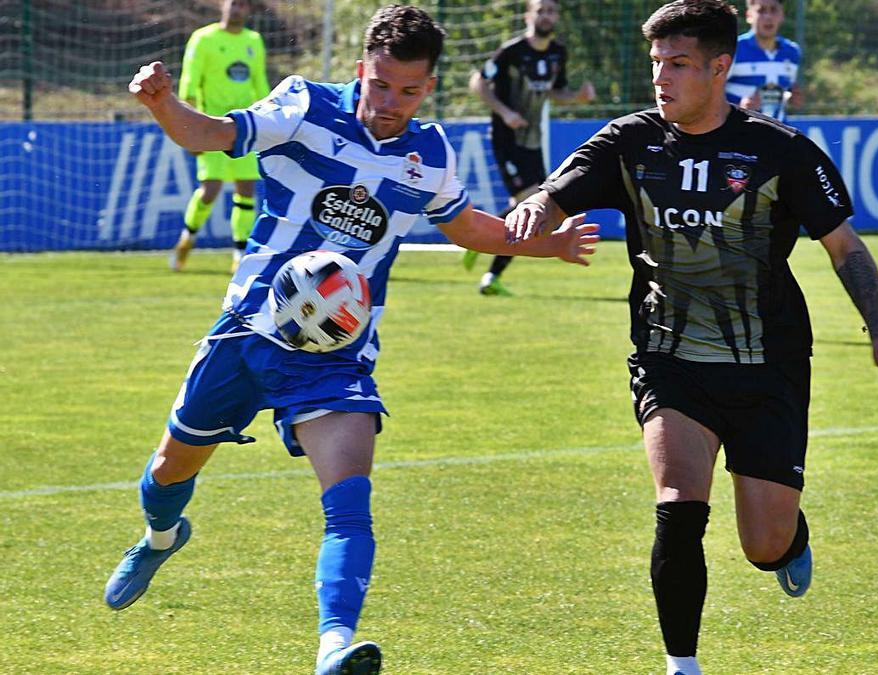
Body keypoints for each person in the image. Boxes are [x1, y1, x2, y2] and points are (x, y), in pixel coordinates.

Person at [105, 6, 597, 674]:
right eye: (382, 84)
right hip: (250, 327)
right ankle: (161, 535)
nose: (392, 102)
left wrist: (546, 243)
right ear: (362, 68)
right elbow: (213, 134)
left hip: (335, 353)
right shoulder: (303, 105)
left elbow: (468, 227)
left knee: (349, 499)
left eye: (410, 90)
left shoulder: (430, 153)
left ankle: (334, 642)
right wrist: (165, 104)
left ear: (428, 87)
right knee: (169, 470)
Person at [506, 2, 878, 673]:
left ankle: (787, 541)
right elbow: (557, 191)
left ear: (721, 67)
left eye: (679, 64)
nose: (662, 78)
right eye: (657, 63)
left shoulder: (780, 151)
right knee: (677, 504)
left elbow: (845, 247)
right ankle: (682, 664)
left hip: (768, 365)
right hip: (670, 361)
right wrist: (534, 212)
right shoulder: (629, 143)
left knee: (764, 542)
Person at [460, 0, 595, 296]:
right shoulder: (512, 51)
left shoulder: (559, 53)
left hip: (533, 141)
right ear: (528, 15)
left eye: (551, 11)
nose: (546, 16)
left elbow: (556, 93)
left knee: (535, 206)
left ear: (557, 16)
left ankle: (482, 242)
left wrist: (578, 97)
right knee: (533, 204)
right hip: (508, 139)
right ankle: (491, 275)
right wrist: (505, 112)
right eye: (540, 10)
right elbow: (477, 82)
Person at [170, 0, 270, 273]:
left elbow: (259, 83)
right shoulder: (203, 39)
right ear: (223, 6)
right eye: (233, 3)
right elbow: (190, 83)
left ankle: (240, 254)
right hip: (210, 125)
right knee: (210, 190)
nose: (237, 9)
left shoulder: (254, 40)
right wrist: (189, 130)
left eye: (243, 5)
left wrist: (268, 118)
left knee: (246, 189)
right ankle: (187, 238)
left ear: (248, 11)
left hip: (244, 126)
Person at [724, 0, 804, 122]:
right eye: (761, 11)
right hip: (740, 132)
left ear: (782, 15)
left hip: (780, 133)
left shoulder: (792, 51)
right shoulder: (733, 48)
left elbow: (782, 91)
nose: (768, 16)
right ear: (749, 15)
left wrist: (791, 98)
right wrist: (739, 107)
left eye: (773, 10)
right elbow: (711, 91)